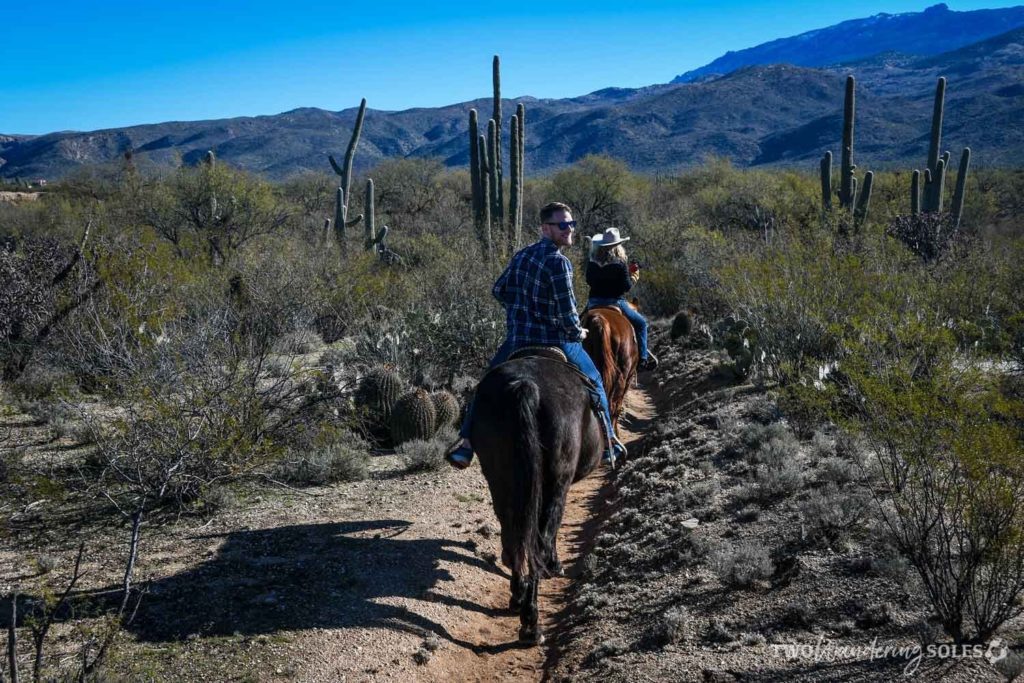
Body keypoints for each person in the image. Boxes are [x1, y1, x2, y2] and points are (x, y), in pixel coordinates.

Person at [446, 202, 628, 470]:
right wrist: (578, 331)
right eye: (562, 225)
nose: (570, 229)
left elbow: (499, 289)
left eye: (572, 223)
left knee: (485, 385)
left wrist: (522, 310)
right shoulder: (559, 262)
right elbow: (567, 314)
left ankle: (465, 446)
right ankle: (609, 442)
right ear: (545, 228)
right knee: (595, 380)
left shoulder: (522, 255)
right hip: (556, 340)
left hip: (518, 339)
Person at [584, 227, 658, 372]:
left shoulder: (592, 263)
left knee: (578, 323)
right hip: (615, 302)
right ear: (618, 246)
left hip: (593, 303)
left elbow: (589, 281)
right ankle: (642, 359)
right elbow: (626, 287)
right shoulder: (620, 265)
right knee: (641, 324)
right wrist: (633, 277)